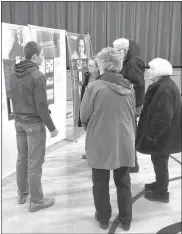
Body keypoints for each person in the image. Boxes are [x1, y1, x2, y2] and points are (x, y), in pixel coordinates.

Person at [80, 47, 136, 231]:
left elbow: (84, 116)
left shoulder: (94, 87)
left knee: (100, 182)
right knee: (124, 182)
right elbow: (132, 114)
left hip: (100, 140)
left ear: (101, 64)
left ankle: (103, 218)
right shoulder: (129, 86)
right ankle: (126, 220)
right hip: (125, 140)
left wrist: (91, 129)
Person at [10, 41, 59, 212]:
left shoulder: (14, 72)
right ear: (35, 56)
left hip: (19, 123)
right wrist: (52, 128)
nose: (44, 57)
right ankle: (36, 200)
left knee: (22, 159)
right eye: (42, 54)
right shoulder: (37, 75)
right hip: (33, 125)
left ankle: (23, 193)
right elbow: (41, 106)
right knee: (34, 163)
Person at [136, 58, 181, 203]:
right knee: (158, 160)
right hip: (163, 135)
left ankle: (162, 192)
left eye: (151, 68)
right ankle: (159, 184)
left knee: (160, 161)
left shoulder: (164, 89)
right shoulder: (164, 85)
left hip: (162, 136)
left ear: (159, 71)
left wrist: (150, 135)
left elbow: (164, 117)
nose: (148, 71)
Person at [113, 37, 145, 173]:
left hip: (131, 104)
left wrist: (135, 105)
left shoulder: (132, 63)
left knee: (129, 133)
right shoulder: (129, 61)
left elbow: (138, 85)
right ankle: (131, 163)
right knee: (129, 132)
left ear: (124, 50)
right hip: (130, 103)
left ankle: (132, 164)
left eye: (116, 50)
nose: (115, 53)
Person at [78, 56, 100, 159]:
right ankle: (88, 151)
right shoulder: (87, 76)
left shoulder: (101, 78)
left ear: (97, 67)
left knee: (96, 131)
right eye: (88, 65)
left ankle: (95, 151)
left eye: (91, 66)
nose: (89, 68)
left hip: (97, 107)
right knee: (88, 131)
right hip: (87, 106)